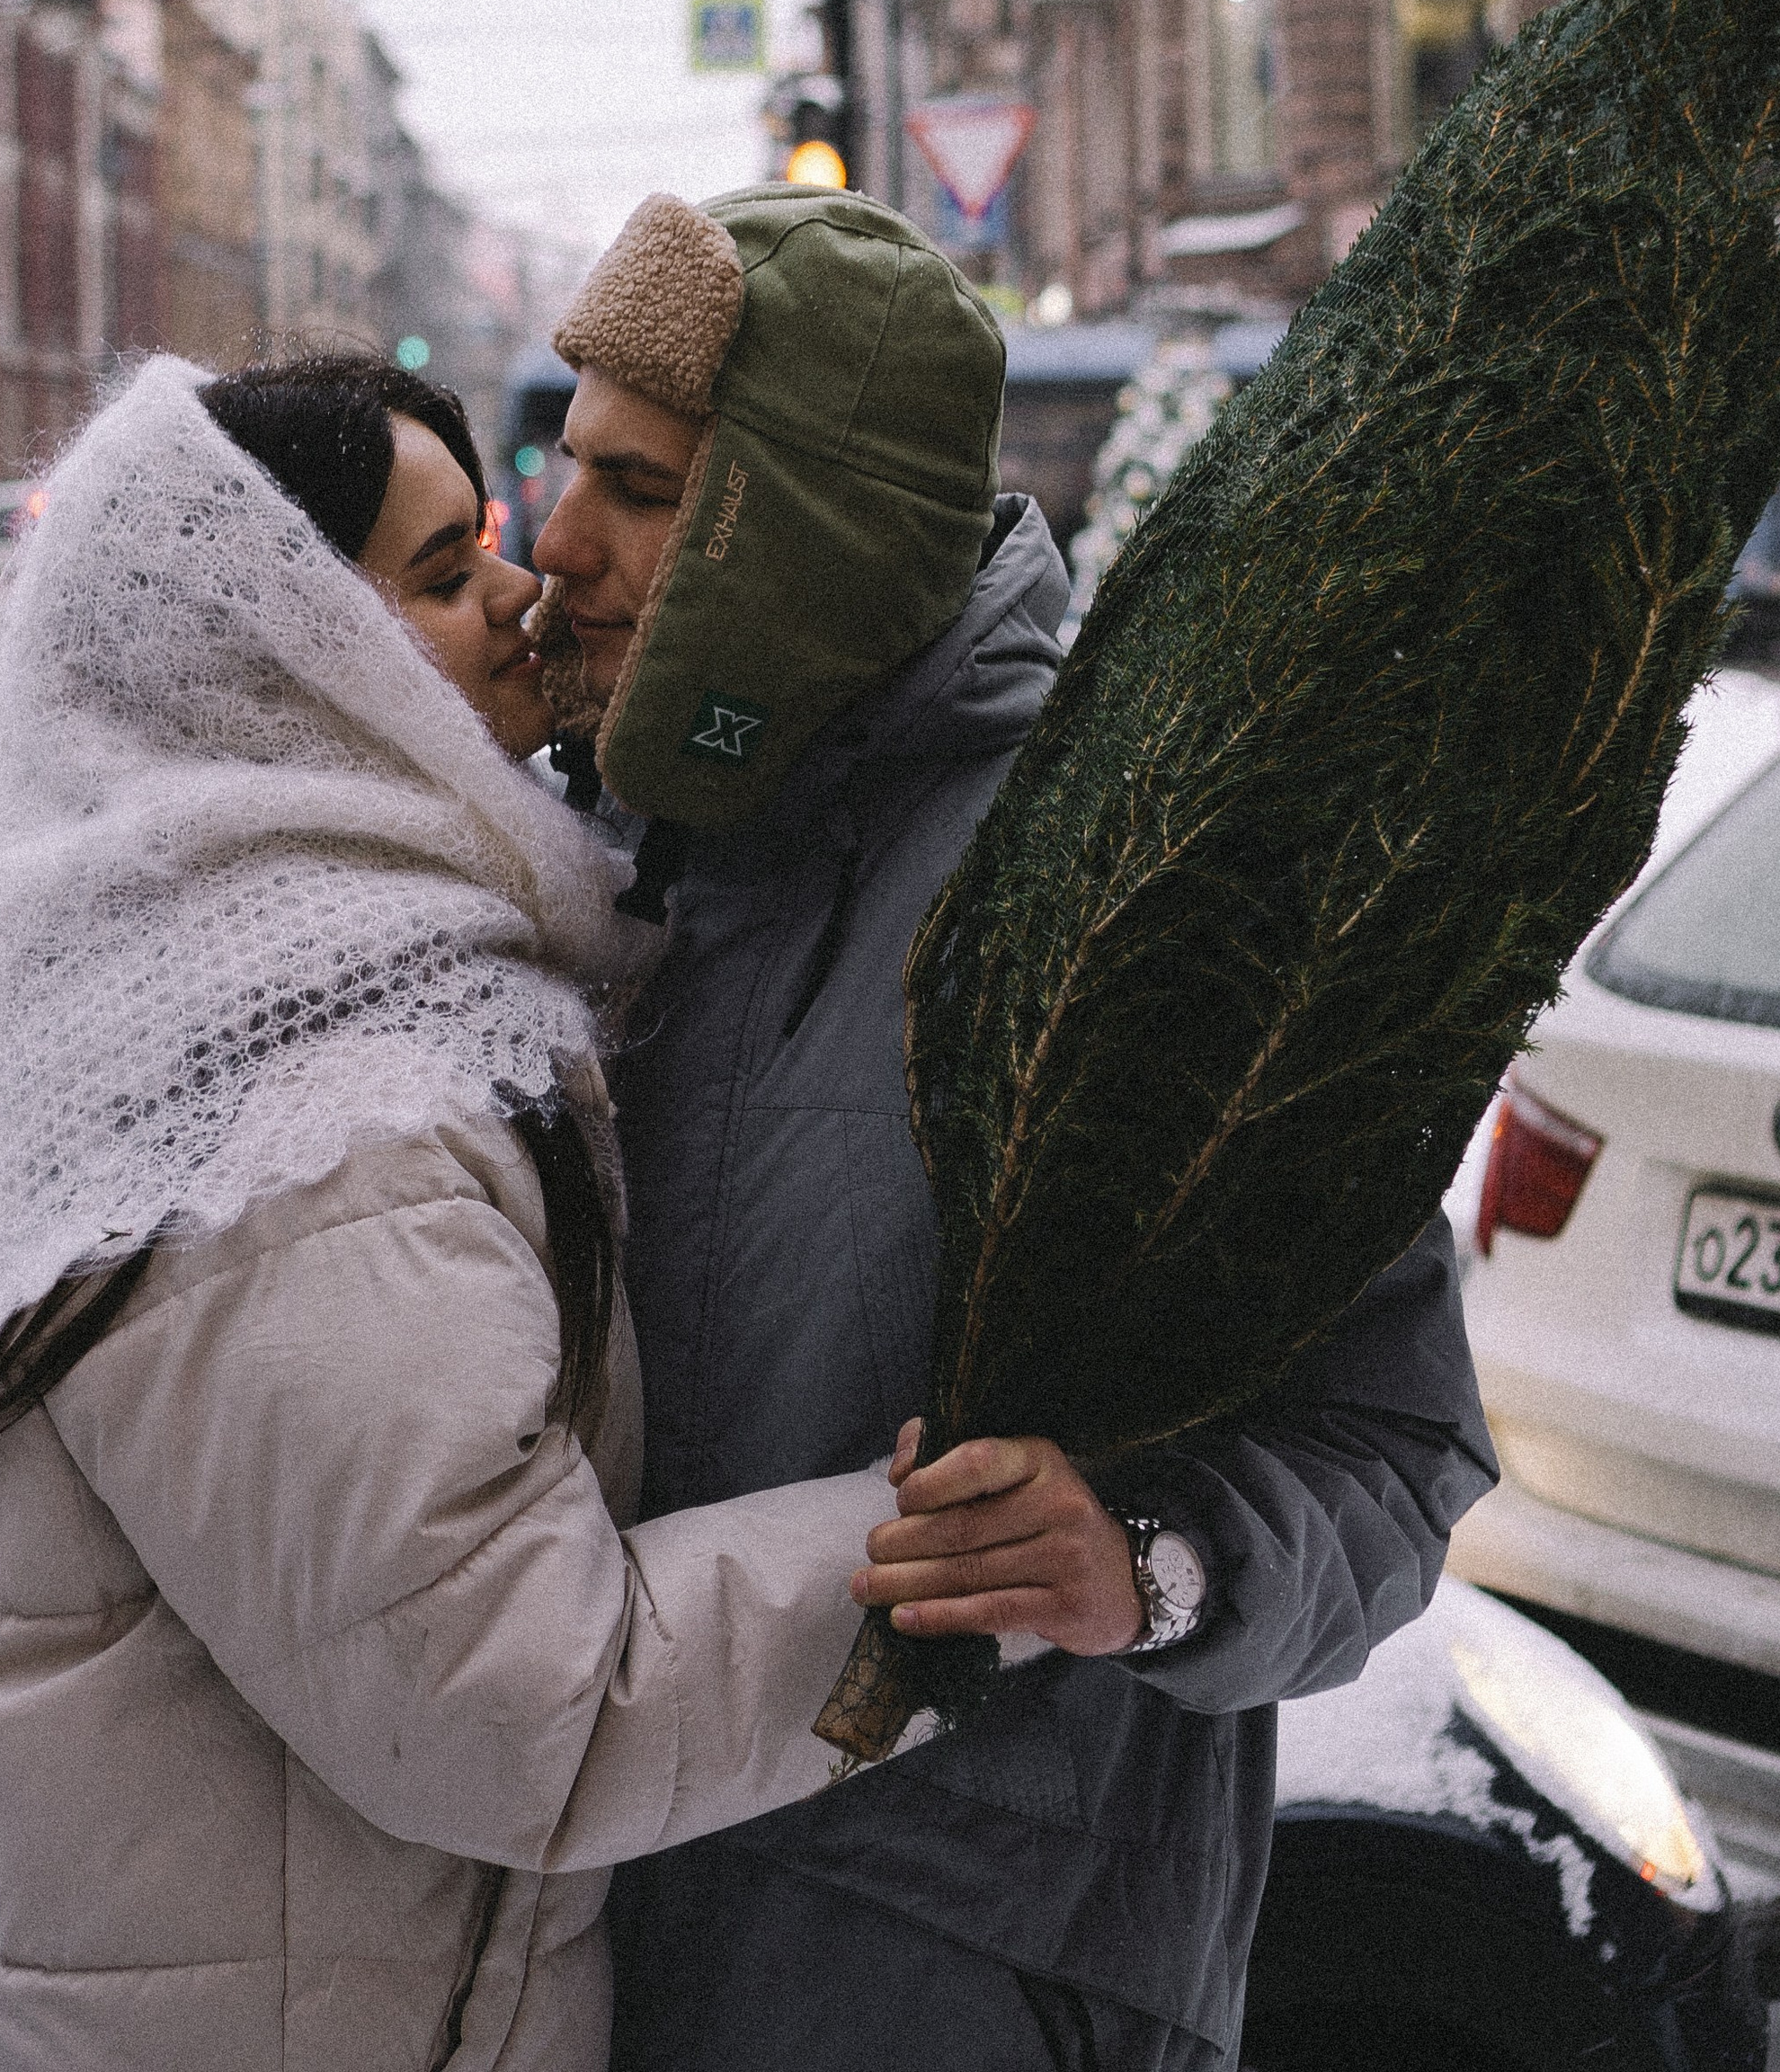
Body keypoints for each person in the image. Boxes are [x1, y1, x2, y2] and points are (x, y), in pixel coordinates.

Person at [0, 349, 1082, 2072]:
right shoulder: (302, 1103)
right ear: (285, 663)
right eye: (441, 574)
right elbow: (521, 1712)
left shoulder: (276, 960)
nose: (526, 590)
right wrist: (984, 1568)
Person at [532, 186, 1501, 2072]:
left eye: (639, 492)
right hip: (592, 1952)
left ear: (802, 531)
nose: (557, 544)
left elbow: (1394, 1442)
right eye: (570, 467)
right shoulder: (604, 849)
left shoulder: (1135, 887)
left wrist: (1150, 1560)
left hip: (959, 1961)